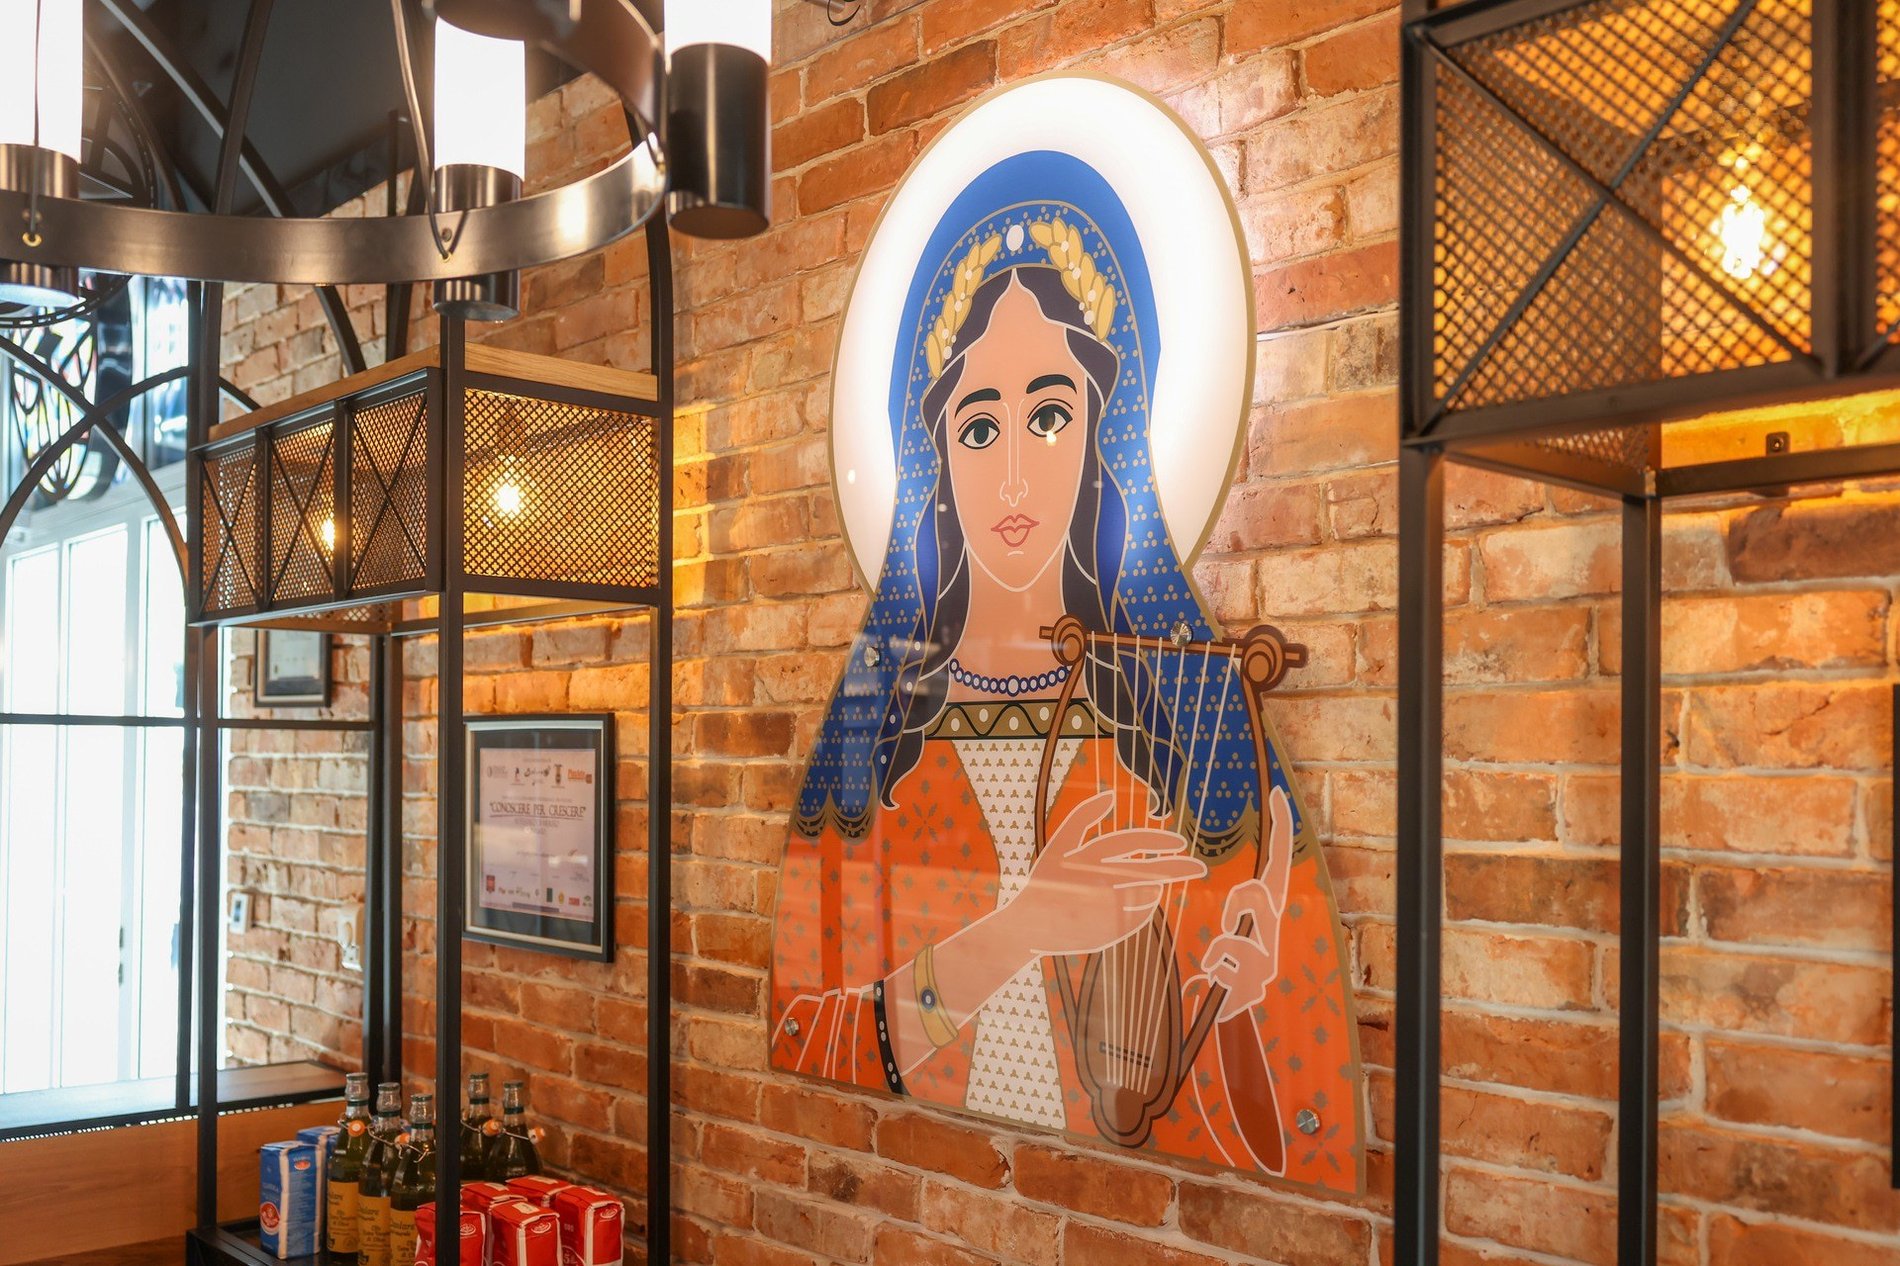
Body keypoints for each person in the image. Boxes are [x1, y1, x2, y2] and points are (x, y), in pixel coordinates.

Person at [773, 179, 1359, 1192]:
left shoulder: (1194, 735)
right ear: (931, 452)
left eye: (1049, 415)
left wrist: (1238, 1010)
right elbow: (796, 1036)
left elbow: (1299, 1148)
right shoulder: (869, 742)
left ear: (1103, 433)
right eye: (978, 427)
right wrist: (1019, 928)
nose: (1011, 479)